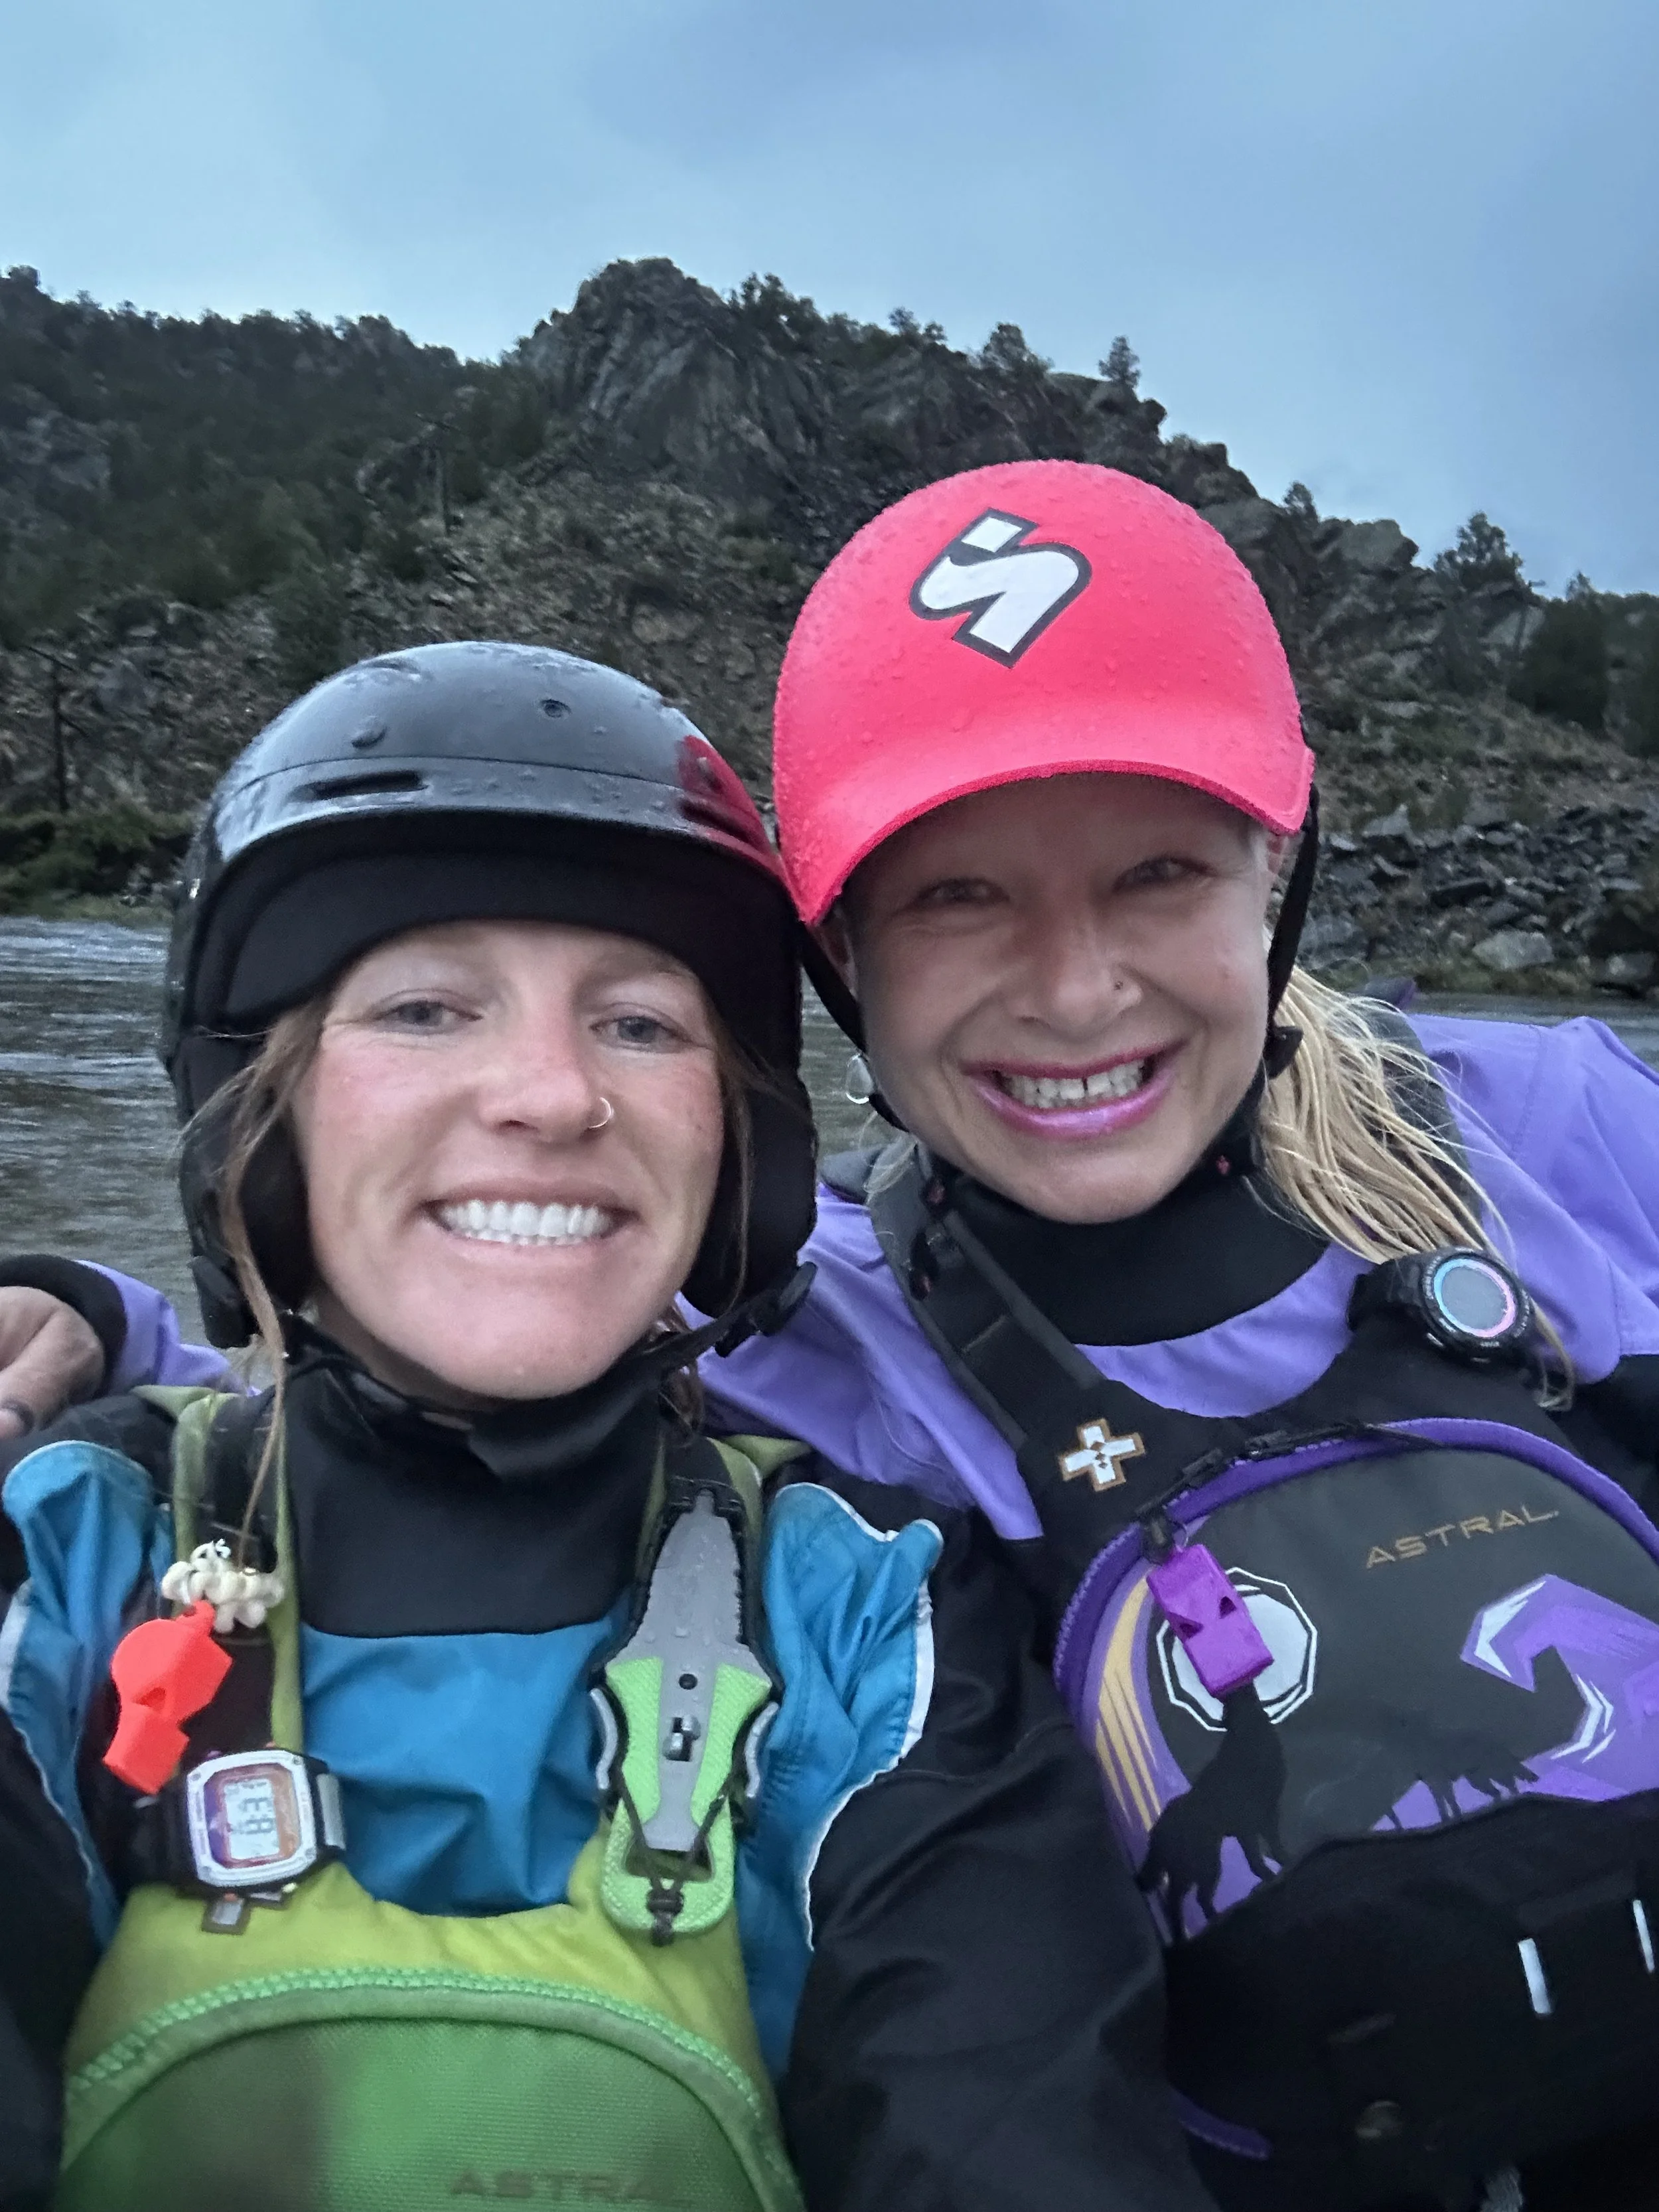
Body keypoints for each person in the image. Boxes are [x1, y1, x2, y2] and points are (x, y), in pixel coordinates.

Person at [15, 465, 1659, 2210]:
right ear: (843, 954)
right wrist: (105, 1313)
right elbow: (451, 1351)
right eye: (958, 897)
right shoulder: (807, 1348)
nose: (1075, 987)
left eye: (1158, 870)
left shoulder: (1563, 1136)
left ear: (1280, 873)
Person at [0, 640, 1208, 2212]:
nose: (553, 1095)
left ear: (740, 1142)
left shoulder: (870, 1618)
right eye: (428, 1008)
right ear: (264, 1112)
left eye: (640, 1024)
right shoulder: (65, 1557)